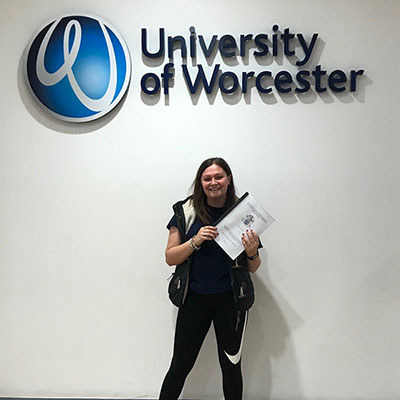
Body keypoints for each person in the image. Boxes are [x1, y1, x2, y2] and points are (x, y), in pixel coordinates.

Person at [159, 157, 261, 400]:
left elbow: (254, 267)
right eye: (207, 178)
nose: (213, 182)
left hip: (231, 301)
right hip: (193, 300)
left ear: (228, 180)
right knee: (180, 366)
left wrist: (251, 251)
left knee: (231, 366)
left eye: (219, 177)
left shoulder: (244, 213)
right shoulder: (186, 212)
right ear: (200, 182)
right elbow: (170, 257)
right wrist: (195, 241)